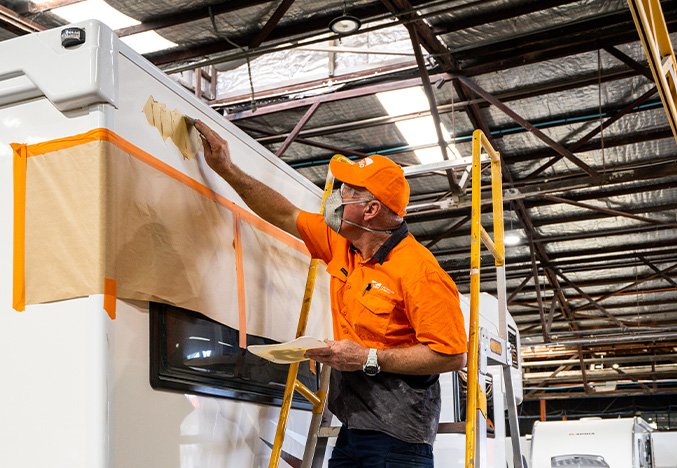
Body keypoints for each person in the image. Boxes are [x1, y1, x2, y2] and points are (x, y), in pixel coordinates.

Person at [195, 120, 467, 468]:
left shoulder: (420, 271)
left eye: (347, 191)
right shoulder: (343, 243)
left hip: (398, 440)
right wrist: (227, 169)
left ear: (371, 209)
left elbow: (451, 356)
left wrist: (369, 358)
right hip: (353, 428)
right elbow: (284, 212)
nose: (334, 197)